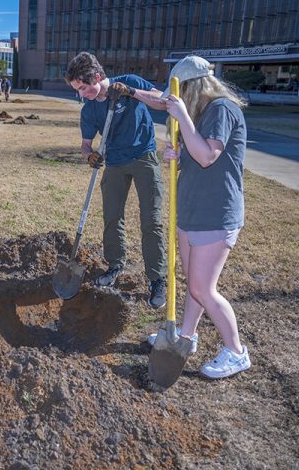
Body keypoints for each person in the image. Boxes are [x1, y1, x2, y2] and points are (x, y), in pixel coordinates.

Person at [124, 55, 251, 379]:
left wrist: (182, 117)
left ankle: (236, 352)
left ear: (193, 88)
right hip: (192, 209)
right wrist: (179, 155)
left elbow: (209, 155)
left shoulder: (222, 109)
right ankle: (187, 337)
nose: (175, 103)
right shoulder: (205, 113)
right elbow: (197, 154)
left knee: (202, 288)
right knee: (194, 282)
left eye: (179, 97)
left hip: (217, 213)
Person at [65, 52, 167, 308]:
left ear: (98, 77)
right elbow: (86, 145)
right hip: (114, 163)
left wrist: (132, 92)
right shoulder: (89, 109)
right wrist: (90, 157)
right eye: (77, 89)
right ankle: (115, 265)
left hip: (144, 156)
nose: (81, 94)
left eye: (84, 87)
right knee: (112, 217)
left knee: (151, 221)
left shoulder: (129, 82)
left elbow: (162, 102)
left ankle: (157, 279)